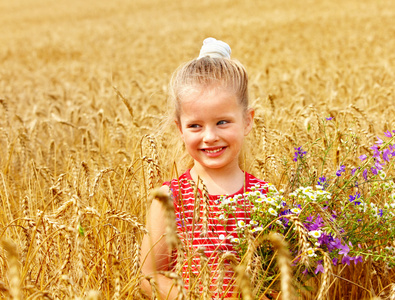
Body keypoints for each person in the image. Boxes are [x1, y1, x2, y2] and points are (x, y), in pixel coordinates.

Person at [140, 37, 268, 299]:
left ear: (247, 120)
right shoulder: (170, 199)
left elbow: (277, 275)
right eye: (195, 126)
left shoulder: (264, 196)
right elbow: (149, 275)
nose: (209, 136)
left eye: (222, 122)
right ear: (180, 129)